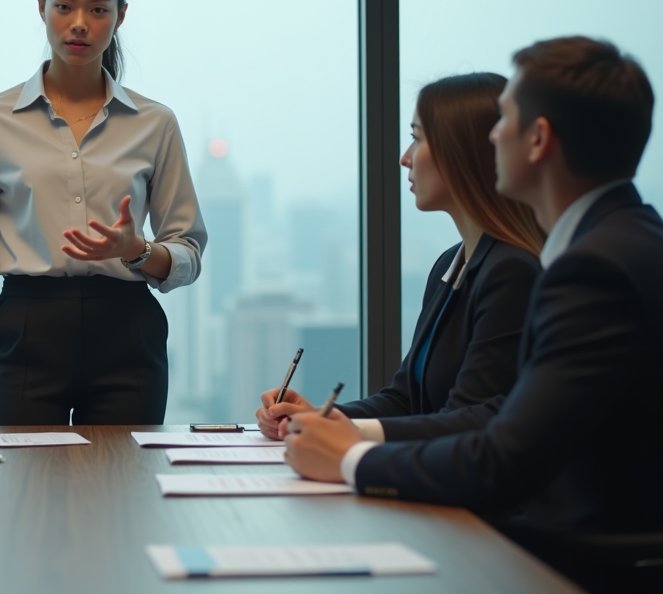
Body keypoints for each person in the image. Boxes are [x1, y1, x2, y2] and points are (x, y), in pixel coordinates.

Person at [282, 36, 662, 587]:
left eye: (503, 120)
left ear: (538, 139)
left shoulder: (592, 269)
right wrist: (334, 427)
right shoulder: (623, 241)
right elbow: (480, 419)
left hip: (571, 562)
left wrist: (350, 458)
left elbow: (501, 456)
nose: (491, 136)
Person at [0, 0, 207, 425]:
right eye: (64, 6)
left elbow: (188, 253)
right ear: (41, 7)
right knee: (22, 472)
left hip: (128, 330)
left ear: (121, 15)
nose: (79, 24)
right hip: (28, 326)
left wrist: (136, 250)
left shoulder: (156, 123)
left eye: (98, 10)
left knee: (123, 472)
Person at [257, 73, 543, 442]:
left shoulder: (512, 272)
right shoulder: (450, 264)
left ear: (464, 152)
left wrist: (345, 433)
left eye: (417, 138)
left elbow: (473, 420)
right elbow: (405, 399)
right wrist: (317, 416)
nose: (405, 158)